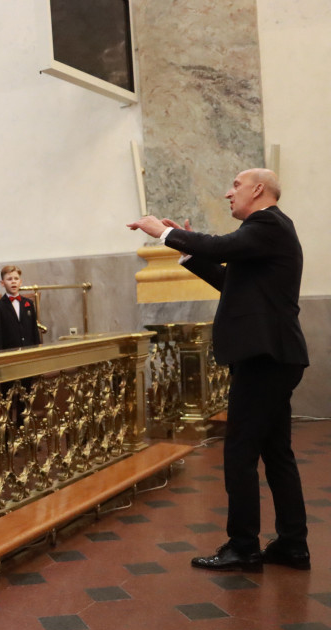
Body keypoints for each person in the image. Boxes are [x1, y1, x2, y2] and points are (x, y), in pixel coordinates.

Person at [128, 168, 310, 572]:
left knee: (239, 451)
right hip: (275, 356)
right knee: (276, 452)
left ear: (258, 189)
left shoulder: (268, 223)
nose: (229, 194)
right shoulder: (267, 234)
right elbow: (230, 281)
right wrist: (189, 252)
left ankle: (243, 546)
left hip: (265, 358)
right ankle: (292, 544)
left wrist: (162, 232)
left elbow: (222, 245)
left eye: (236, 187)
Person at [0, 265, 41, 349]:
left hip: (29, 349)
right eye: (9, 279)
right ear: (2, 283)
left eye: (16, 279)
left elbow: (34, 330)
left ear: (20, 282)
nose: (13, 282)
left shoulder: (29, 303)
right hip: (9, 351)